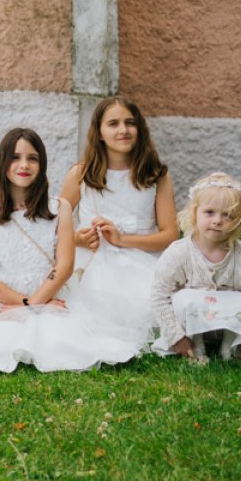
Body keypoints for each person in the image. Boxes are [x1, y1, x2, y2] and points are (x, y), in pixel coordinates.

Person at [0, 128, 142, 372]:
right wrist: (25, 305)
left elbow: (64, 265)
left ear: (41, 164)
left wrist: (36, 302)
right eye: (15, 157)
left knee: (62, 338)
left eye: (32, 158)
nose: (24, 164)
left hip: (51, 294)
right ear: (2, 163)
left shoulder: (59, 208)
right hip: (5, 299)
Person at [60, 97, 177, 337]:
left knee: (156, 304)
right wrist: (77, 239)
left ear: (139, 128)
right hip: (92, 260)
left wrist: (122, 240)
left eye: (130, 123)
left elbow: (169, 235)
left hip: (143, 258)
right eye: (113, 124)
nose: (123, 130)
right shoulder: (81, 174)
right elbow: (53, 225)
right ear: (99, 133)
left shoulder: (156, 175)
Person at [150, 173, 241, 363]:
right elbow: (159, 295)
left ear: (239, 221)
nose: (217, 220)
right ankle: (195, 345)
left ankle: (231, 348)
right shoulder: (179, 252)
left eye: (227, 215)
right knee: (182, 298)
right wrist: (176, 337)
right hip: (190, 325)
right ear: (194, 213)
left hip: (230, 326)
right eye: (209, 212)